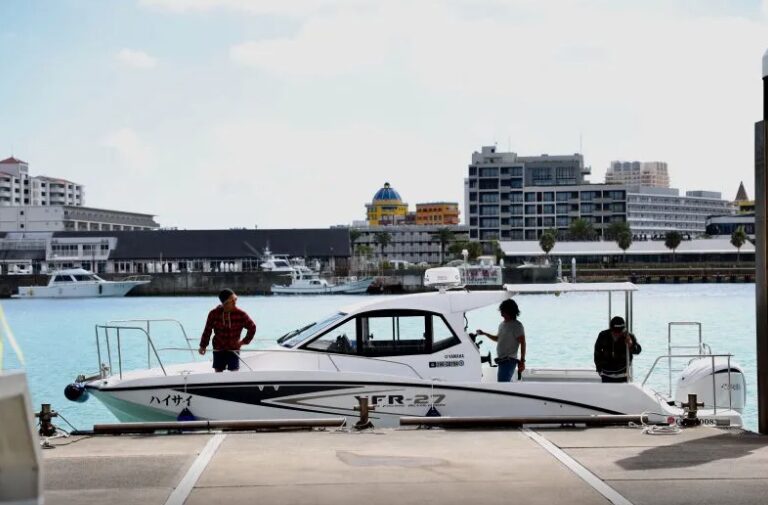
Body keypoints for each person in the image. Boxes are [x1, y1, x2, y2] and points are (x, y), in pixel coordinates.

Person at [199, 288, 256, 372]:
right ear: (224, 303)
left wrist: (243, 342)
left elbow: (252, 328)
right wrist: (203, 346)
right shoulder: (213, 314)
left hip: (233, 349)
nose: (234, 303)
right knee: (218, 373)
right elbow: (207, 330)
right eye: (231, 301)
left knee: (234, 373)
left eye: (235, 300)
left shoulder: (241, 314)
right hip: (218, 348)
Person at [476, 299, 526, 382]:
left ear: (509, 310)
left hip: (509, 361)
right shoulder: (502, 324)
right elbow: (498, 339)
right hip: (502, 361)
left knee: (503, 384)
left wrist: (522, 361)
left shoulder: (517, 326)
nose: (501, 311)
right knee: (503, 383)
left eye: (503, 309)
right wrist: (484, 333)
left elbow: (523, 343)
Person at [594, 316, 641, 383]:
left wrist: (631, 345)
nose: (617, 334)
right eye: (615, 331)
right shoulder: (603, 335)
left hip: (623, 373)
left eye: (620, 332)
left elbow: (638, 350)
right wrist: (599, 368)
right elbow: (597, 352)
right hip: (606, 373)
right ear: (611, 329)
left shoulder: (629, 336)